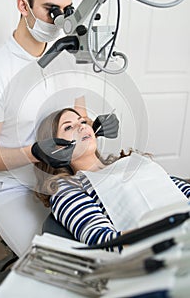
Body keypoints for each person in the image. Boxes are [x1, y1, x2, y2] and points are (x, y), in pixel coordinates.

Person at [0, 0, 119, 257]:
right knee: (57, 264)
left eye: (67, 11)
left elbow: (79, 116)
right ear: (23, 6)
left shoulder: (66, 58)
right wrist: (33, 152)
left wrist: (95, 126)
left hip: (64, 179)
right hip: (14, 188)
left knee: (109, 248)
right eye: (52, 11)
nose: (61, 20)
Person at [32, 107, 190, 250]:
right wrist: (171, 232)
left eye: (83, 121)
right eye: (68, 127)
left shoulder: (130, 162)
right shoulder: (67, 187)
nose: (82, 126)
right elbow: (102, 240)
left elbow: (176, 188)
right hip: (164, 247)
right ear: (54, 148)